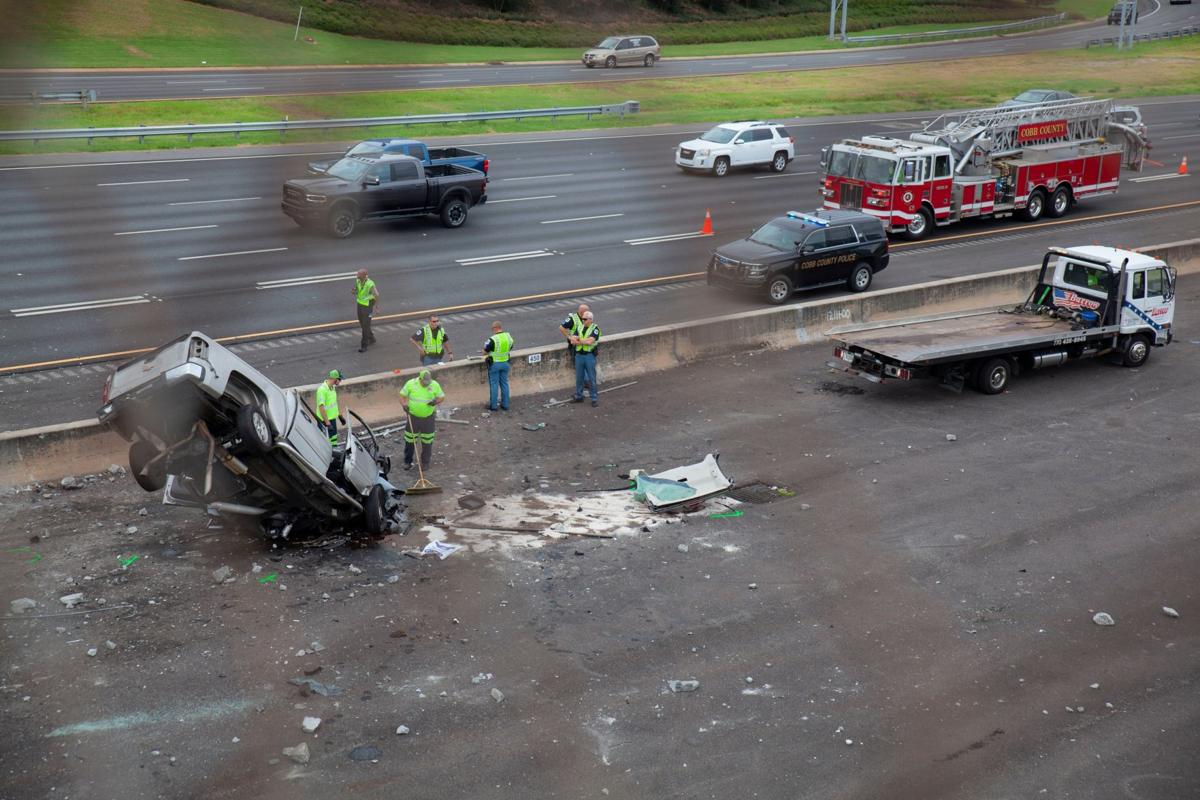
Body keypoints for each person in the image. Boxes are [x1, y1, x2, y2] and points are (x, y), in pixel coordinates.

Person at [398, 369, 444, 471]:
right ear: (420, 379)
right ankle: (407, 461)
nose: (426, 384)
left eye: (428, 382)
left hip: (428, 419)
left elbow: (442, 397)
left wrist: (435, 402)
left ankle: (425, 463)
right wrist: (404, 405)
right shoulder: (411, 384)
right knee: (410, 441)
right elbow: (401, 396)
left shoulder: (434, 385)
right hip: (413, 418)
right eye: (424, 382)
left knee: (427, 441)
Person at [571, 310, 601, 407]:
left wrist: (578, 341)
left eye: (585, 319)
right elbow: (572, 340)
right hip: (579, 355)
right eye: (582, 319)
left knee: (591, 378)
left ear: (590, 320)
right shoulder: (579, 327)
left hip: (589, 356)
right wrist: (581, 341)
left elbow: (590, 342)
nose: (583, 320)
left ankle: (594, 398)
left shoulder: (595, 328)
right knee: (579, 378)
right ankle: (579, 396)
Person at [483, 320, 513, 412]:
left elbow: (485, 351)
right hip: (506, 363)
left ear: (495, 328)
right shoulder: (509, 337)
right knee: (504, 383)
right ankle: (505, 404)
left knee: (494, 385)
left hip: (495, 364)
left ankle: (493, 406)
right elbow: (511, 347)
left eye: (492, 328)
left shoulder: (492, 339)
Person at [315, 369, 347, 445]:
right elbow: (321, 408)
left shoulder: (332, 388)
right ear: (335, 379)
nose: (340, 381)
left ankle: (334, 453)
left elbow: (334, 404)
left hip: (332, 420)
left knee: (333, 440)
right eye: (340, 379)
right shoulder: (322, 390)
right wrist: (327, 423)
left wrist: (340, 416)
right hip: (324, 421)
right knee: (325, 443)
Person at [353, 269, 379, 353]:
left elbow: (376, 294)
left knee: (365, 325)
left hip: (368, 305)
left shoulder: (370, 284)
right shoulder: (357, 280)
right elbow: (357, 289)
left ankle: (364, 345)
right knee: (362, 323)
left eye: (358, 274)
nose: (357, 274)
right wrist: (354, 291)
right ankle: (371, 338)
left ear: (364, 275)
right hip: (360, 303)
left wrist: (376, 306)